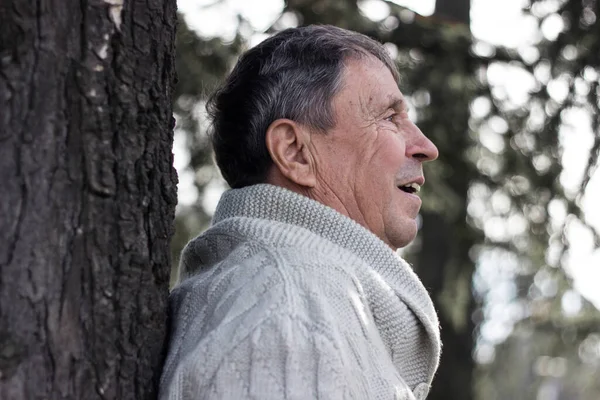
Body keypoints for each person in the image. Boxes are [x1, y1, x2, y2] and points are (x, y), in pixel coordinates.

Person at [160, 25, 441, 400]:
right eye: (389, 117)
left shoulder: (292, 295)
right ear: (294, 152)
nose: (426, 146)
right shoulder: (289, 313)